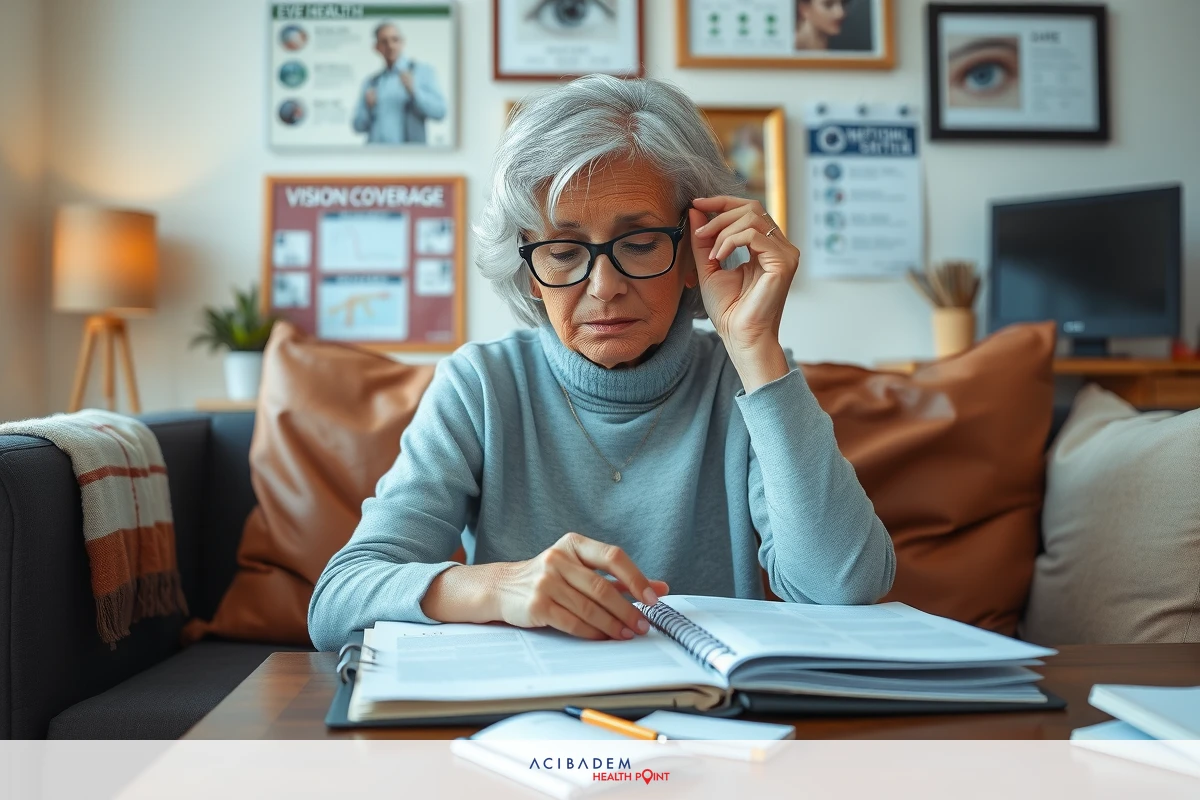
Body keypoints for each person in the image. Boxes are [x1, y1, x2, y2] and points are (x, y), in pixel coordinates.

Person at [308, 75, 895, 651]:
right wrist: (494, 585)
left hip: (708, 713)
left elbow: (843, 588)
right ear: (529, 276)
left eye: (639, 245)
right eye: (563, 252)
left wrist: (756, 347)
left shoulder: (747, 381)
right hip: (524, 713)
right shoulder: (480, 386)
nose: (604, 287)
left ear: (697, 252)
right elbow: (339, 599)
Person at [352, 21, 445, 144]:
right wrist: (368, 109)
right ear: (376, 47)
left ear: (402, 42)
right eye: (384, 42)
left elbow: (440, 112)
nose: (390, 45)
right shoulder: (371, 83)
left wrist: (415, 92)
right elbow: (358, 127)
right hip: (375, 157)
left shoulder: (422, 72)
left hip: (408, 158)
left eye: (395, 40)